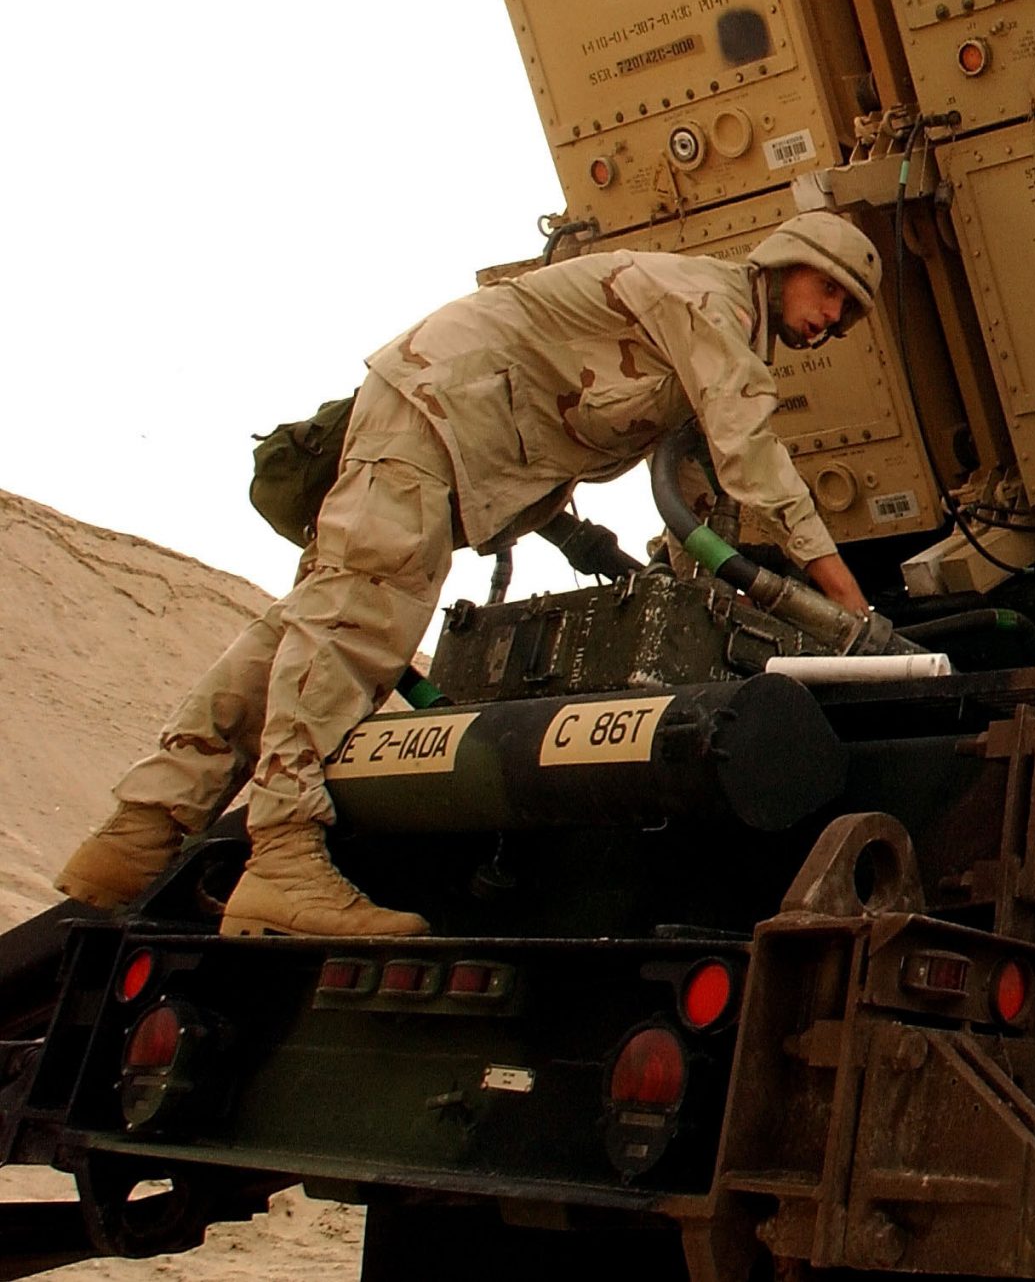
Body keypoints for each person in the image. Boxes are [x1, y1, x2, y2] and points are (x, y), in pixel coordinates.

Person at [55, 211, 893, 939]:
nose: (829, 320)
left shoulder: (704, 324)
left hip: (442, 428)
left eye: (846, 315)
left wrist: (614, 554)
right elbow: (757, 463)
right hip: (435, 416)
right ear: (787, 261)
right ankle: (282, 855)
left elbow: (681, 482)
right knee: (357, 626)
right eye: (829, 294)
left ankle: (137, 837)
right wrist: (848, 609)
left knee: (308, 627)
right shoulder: (714, 303)